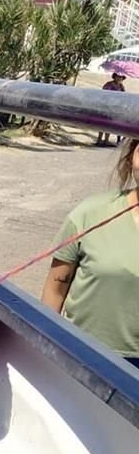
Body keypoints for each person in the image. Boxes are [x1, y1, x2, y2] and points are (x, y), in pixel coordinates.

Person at [41, 139, 139, 370]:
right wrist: (46, 347)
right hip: (87, 355)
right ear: (131, 154)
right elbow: (54, 291)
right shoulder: (90, 214)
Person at [97, 73, 126, 148]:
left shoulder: (121, 86)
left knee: (109, 124)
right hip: (106, 106)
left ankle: (106, 140)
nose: (120, 78)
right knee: (103, 123)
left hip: (115, 108)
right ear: (114, 77)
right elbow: (104, 94)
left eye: (121, 77)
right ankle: (99, 139)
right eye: (118, 77)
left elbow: (124, 96)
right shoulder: (109, 84)